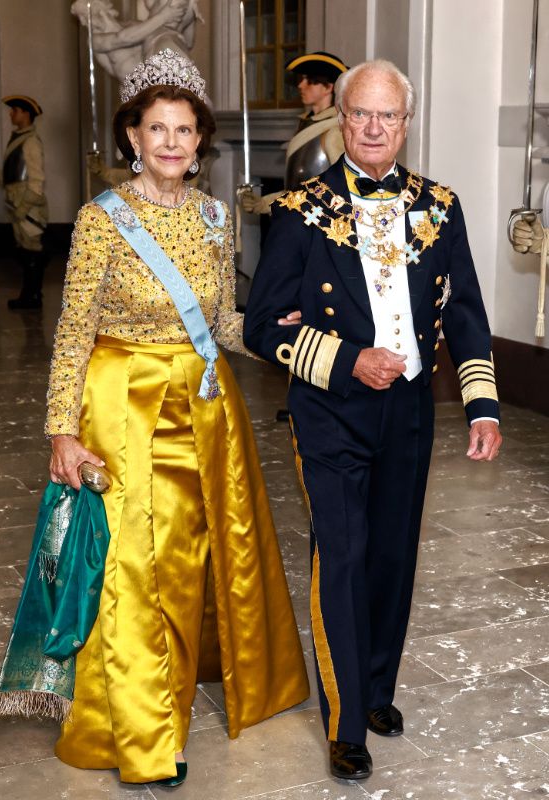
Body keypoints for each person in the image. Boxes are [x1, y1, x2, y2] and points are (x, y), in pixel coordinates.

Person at [45, 49, 309, 786]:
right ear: (132, 136)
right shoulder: (102, 222)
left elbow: (219, 319)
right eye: (155, 128)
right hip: (123, 400)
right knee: (136, 567)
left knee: (195, 556)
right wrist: (61, 430)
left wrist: (272, 334)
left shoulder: (218, 218)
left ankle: (195, 679)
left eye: (184, 130)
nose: (169, 142)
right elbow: (73, 327)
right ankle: (147, 731)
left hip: (203, 406)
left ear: (200, 142)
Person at [243, 59, 502, 781]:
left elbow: (469, 316)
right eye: (361, 113)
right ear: (342, 119)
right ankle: (345, 716)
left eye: (389, 115)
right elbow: (261, 325)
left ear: (406, 122)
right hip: (330, 407)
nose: (375, 127)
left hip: (411, 411)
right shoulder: (299, 210)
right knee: (345, 556)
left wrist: (480, 404)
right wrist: (346, 359)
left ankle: (378, 688)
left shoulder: (440, 206)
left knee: (392, 555)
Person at [241, 51, 347, 215]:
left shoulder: (335, 130)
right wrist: (263, 204)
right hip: (298, 220)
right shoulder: (307, 124)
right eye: (301, 80)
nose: (301, 85)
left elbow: (343, 191)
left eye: (310, 81)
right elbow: (295, 191)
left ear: (329, 87)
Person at [71, 0, 200, 82]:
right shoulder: (95, 40)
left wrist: (190, 18)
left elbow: (187, 44)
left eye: (85, 15)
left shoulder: (134, 26)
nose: (83, 22)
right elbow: (123, 38)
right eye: (80, 18)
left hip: (160, 81)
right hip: (137, 93)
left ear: (100, 7)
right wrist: (164, 16)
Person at [1, 95, 48, 309]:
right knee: (24, 249)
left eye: (15, 110)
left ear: (26, 114)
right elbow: (15, 174)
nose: (11, 114)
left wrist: (23, 208)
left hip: (27, 206)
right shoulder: (18, 138)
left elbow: (37, 181)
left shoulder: (30, 142)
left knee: (32, 249)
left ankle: (32, 296)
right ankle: (30, 293)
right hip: (16, 201)